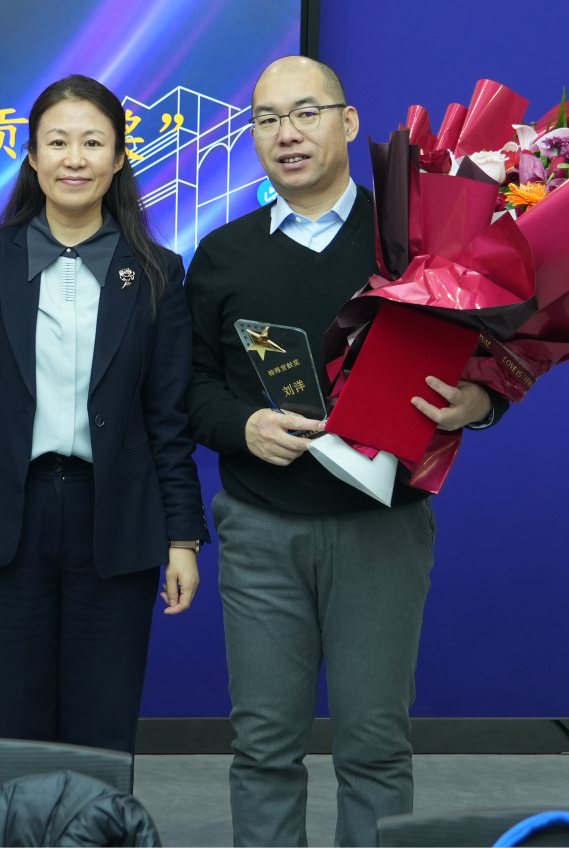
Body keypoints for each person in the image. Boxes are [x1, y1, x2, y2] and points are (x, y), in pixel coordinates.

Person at [184, 56, 509, 848]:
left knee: (374, 746)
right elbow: (189, 388)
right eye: (267, 119)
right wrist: (242, 426)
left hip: (382, 528)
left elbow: (496, 359)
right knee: (264, 746)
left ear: (348, 121)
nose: (286, 134)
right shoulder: (222, 254)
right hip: (262, 528)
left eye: (306, 112)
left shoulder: (414, 242)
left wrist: (479, 404)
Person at [0, 74, 208, 755]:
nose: (74, 159)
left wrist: (182, 537)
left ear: (120, 157)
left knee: (102, 724)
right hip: (7, 516)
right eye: (57, 142)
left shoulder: (158, 270)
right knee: (14, 722)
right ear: (31, 156)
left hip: (116, 516)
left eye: (92, 143)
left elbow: (168, 420)